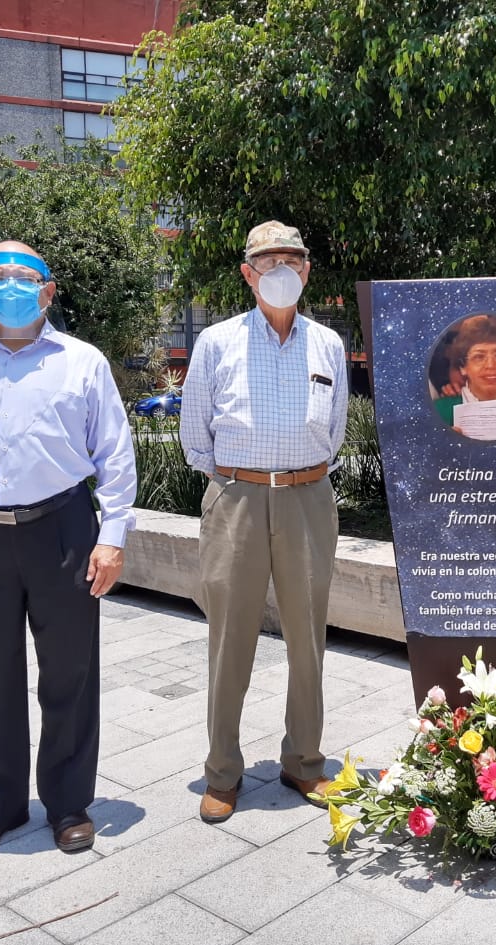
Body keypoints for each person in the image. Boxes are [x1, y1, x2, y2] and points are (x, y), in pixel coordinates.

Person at [0, 240, 137, 862]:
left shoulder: (83, 362)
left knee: (69, 671)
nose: (12, 285)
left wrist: (113, 537)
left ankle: (68, 805)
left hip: (62, 528)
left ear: (48, 290)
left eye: (26, 275)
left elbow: (115, 456)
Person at [180, 220, 349, 823]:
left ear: (306, 271)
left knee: (309, 639)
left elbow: (336, 428)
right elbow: (193, 434)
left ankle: (304, 761)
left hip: (308, 499)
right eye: (268, 261)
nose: (282, 270)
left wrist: (299, 477)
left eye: (292, 261)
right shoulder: (217, 343)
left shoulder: (327, 344)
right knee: (230, 640)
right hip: (238, 499)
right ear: (248, 274)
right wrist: (235, 482)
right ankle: (222, 771)